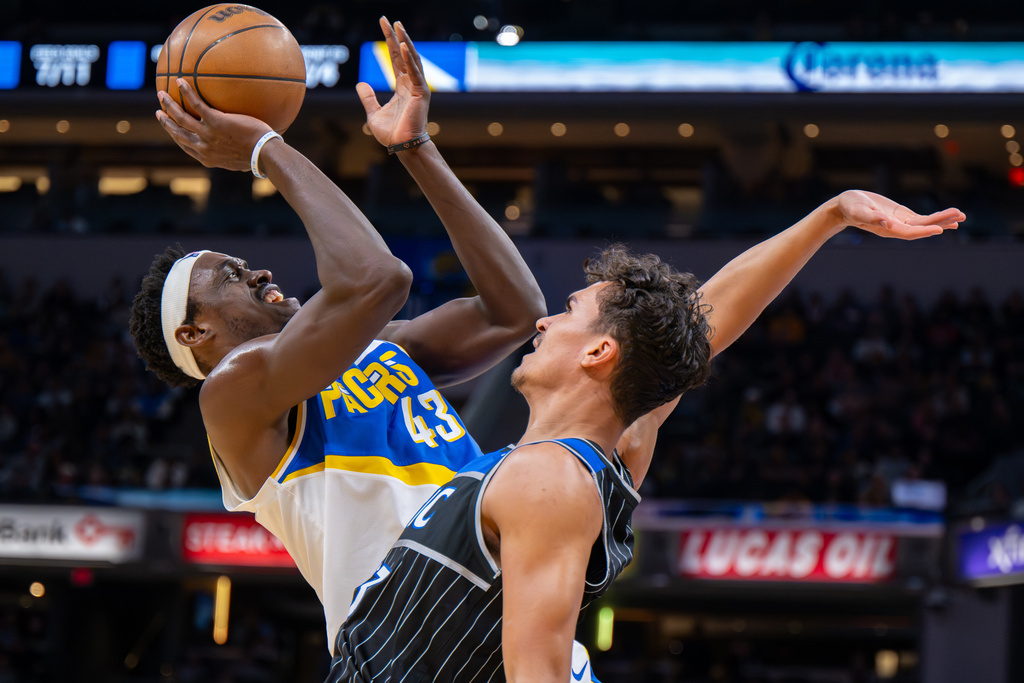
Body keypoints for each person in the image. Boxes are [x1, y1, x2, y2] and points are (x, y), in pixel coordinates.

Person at [329, 28, 965, 680]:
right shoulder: (599, 454)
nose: (543, 319)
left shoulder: (549, 481)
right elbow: (695, 331)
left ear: (600, 350)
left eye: (568, 310)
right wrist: (828, 216)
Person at [130, 17, 547, 656]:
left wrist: (416, 148)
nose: (260, 271)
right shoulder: (233, 397)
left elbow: (514, 311)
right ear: (196, 332)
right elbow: (378, 277)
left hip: (508, 624)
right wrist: (263, 149)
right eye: (232, 277)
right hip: (405, 643)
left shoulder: (378, 347)